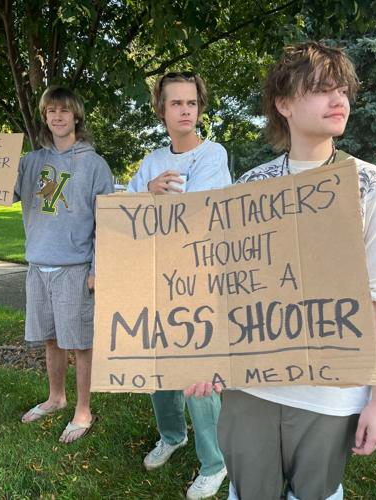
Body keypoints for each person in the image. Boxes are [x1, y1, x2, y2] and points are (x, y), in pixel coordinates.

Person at [185, 42, 376, 500]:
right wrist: (211, 359)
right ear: (283, 103)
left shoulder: (372, 186)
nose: (339, 100)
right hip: (253, 389)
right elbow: (231, 290)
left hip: (331, 392)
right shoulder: (251, 188)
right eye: (323, 89)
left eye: (342, 90)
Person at [0, 85, 114, 443]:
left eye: (64, 111)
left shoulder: (95, 166)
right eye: (51, 111)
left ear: (76, 117)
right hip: (39, 266)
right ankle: (56, 397)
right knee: (52, 339)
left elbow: (108, 224)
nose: (57, 117)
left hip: (75, 268)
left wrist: (97, 270)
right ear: (45, 117)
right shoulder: (30, 163)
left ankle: (83, 409)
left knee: (80, 342)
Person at [127, 72, 231, 499]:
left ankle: (215, 461)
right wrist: (146, 194)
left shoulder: (213, 154)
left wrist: (154, 201)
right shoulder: (151, 161)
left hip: (199, 279)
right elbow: (126, 214)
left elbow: (202, 210)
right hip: (156, 277)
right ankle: (172, 436)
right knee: (159, 367)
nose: (185, 110)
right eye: (176, 104)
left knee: (197, 373)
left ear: (199, 108)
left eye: (191, 103)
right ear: (162, 110)